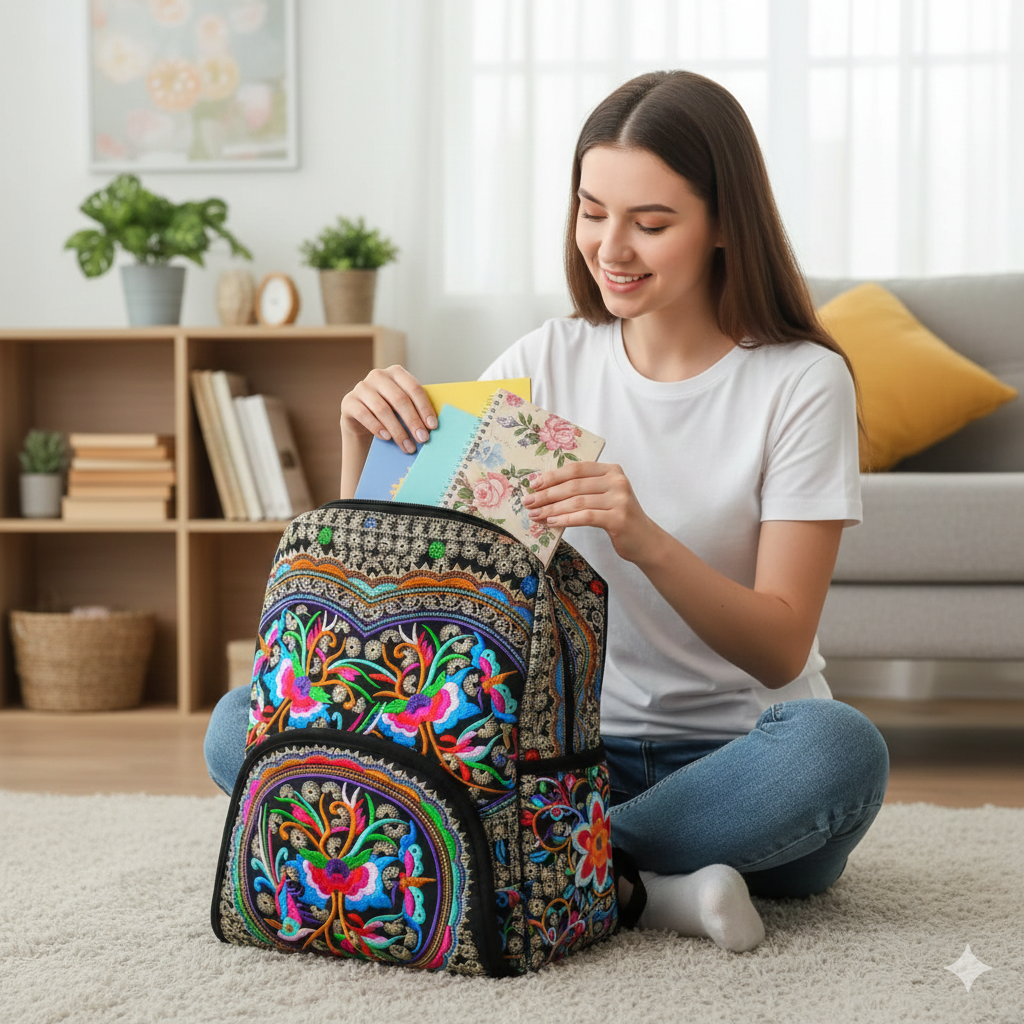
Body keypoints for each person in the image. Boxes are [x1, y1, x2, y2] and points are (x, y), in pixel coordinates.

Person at [207, 70, 889, 954]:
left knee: (838, 752)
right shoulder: (547, 359)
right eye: (592, 210)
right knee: (241, 725)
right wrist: (357, 441)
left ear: (726, 224)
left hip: (730, 763)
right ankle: (643, 888)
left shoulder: (799, 381)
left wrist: (642, 538)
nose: (612, 247)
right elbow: (406, 583)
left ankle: (551, 869)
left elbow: (780, 645)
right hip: (559, 753)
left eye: (651, 223)